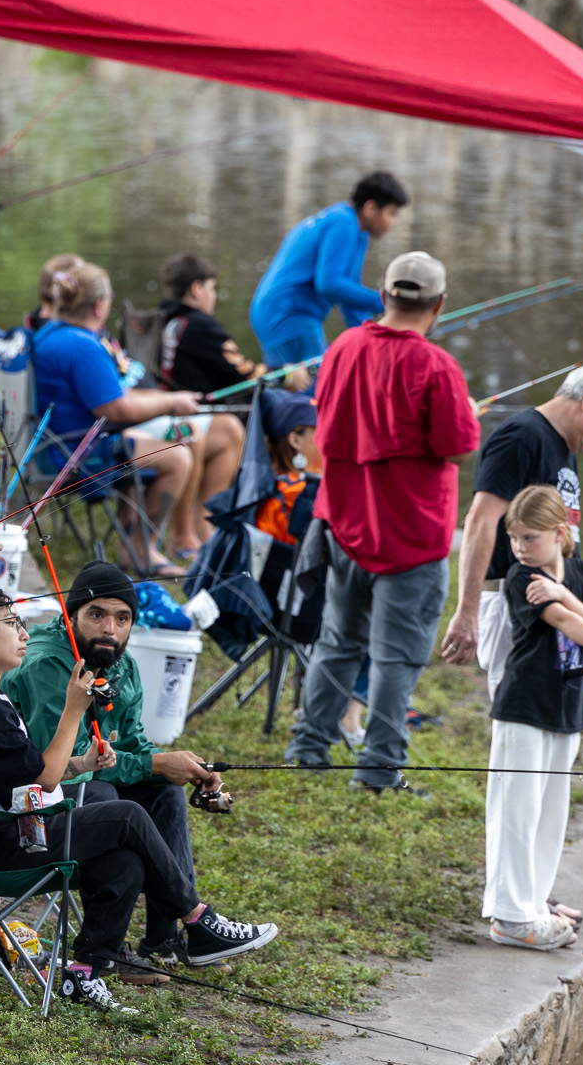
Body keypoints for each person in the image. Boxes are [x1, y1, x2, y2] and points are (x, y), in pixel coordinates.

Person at [0, 588, 277, 1009]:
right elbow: (41, 777)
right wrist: (74, 709)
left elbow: (28, 778)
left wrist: (83, 764)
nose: (24, 633)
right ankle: (199, 921)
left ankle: (84, 973)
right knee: (126, 816)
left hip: (9, 830)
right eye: (12, 624)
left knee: (122, 861)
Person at [283, 251, 480, 791]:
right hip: (411, 536)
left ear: (385, 295)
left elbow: (330, 421)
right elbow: (457, 446)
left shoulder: (342, 347)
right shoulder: (437, 367)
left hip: (346, 525)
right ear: (438, 305)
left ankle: (308, 747)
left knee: (338, 641)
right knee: (398, 657)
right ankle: (378, 769)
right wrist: (469, 412)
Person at [0, 560, 232, 967]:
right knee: (102, 792)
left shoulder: (122, 666)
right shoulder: (45, 667)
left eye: (122, 618)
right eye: (97, 615)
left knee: (165, 792)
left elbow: (131, 742)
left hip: (81, 791)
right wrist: (157, 763)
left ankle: (165, 939)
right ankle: (152, 935)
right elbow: (56, 765)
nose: (110, 629)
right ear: (71, 617)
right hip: (28, 803)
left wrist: (180, 766)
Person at [485, 487, 583, 951]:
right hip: (524, 705)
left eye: (529, 537)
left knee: (551, 812)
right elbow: (561, 619)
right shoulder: (521, 577)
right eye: (514, 537)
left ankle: (534, 904)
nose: (519, 547)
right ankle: (510, 918)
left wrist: (565, 593)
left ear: (560, 533)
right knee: (518, 811)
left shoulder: (580, 573)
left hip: (567, 707)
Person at [440, 354, 583, 696]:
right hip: (518, 608)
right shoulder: (522, 436)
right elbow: (480, 520)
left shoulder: (564, 446)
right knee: (519, 717)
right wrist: (466, 613)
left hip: (555, 607)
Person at [30, 260, 202, 576]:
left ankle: (133, 546)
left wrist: (166, 400)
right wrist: (171, 403)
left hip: (55, 447)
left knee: (150, 446)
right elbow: (114, 410)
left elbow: (111, 398)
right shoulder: (85, 347)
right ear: (99, 306)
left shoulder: (50, 334)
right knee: (177, 457)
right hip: (79, 456)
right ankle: (141, 548)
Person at [152, 251, 306, 556]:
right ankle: (216, 521)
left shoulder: (166, 321)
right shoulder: (200, 326)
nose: (213, 296)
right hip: (198, 415)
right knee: (271, 412)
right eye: (212, 288)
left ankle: (210, 525)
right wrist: (285, 376)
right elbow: (242, 371)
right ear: (196, 289)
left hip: (177, 411)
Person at [247, 171, 408, 390]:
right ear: (371, 208)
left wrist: (376, 339)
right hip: (288, 315)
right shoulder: (343, 223)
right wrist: (386, 302)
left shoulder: (356, 232)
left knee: (302, 391)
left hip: (283, 313)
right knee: (318, 393)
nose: (393, 222)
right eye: (392, 213)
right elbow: (329, 284)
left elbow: (350, 299)